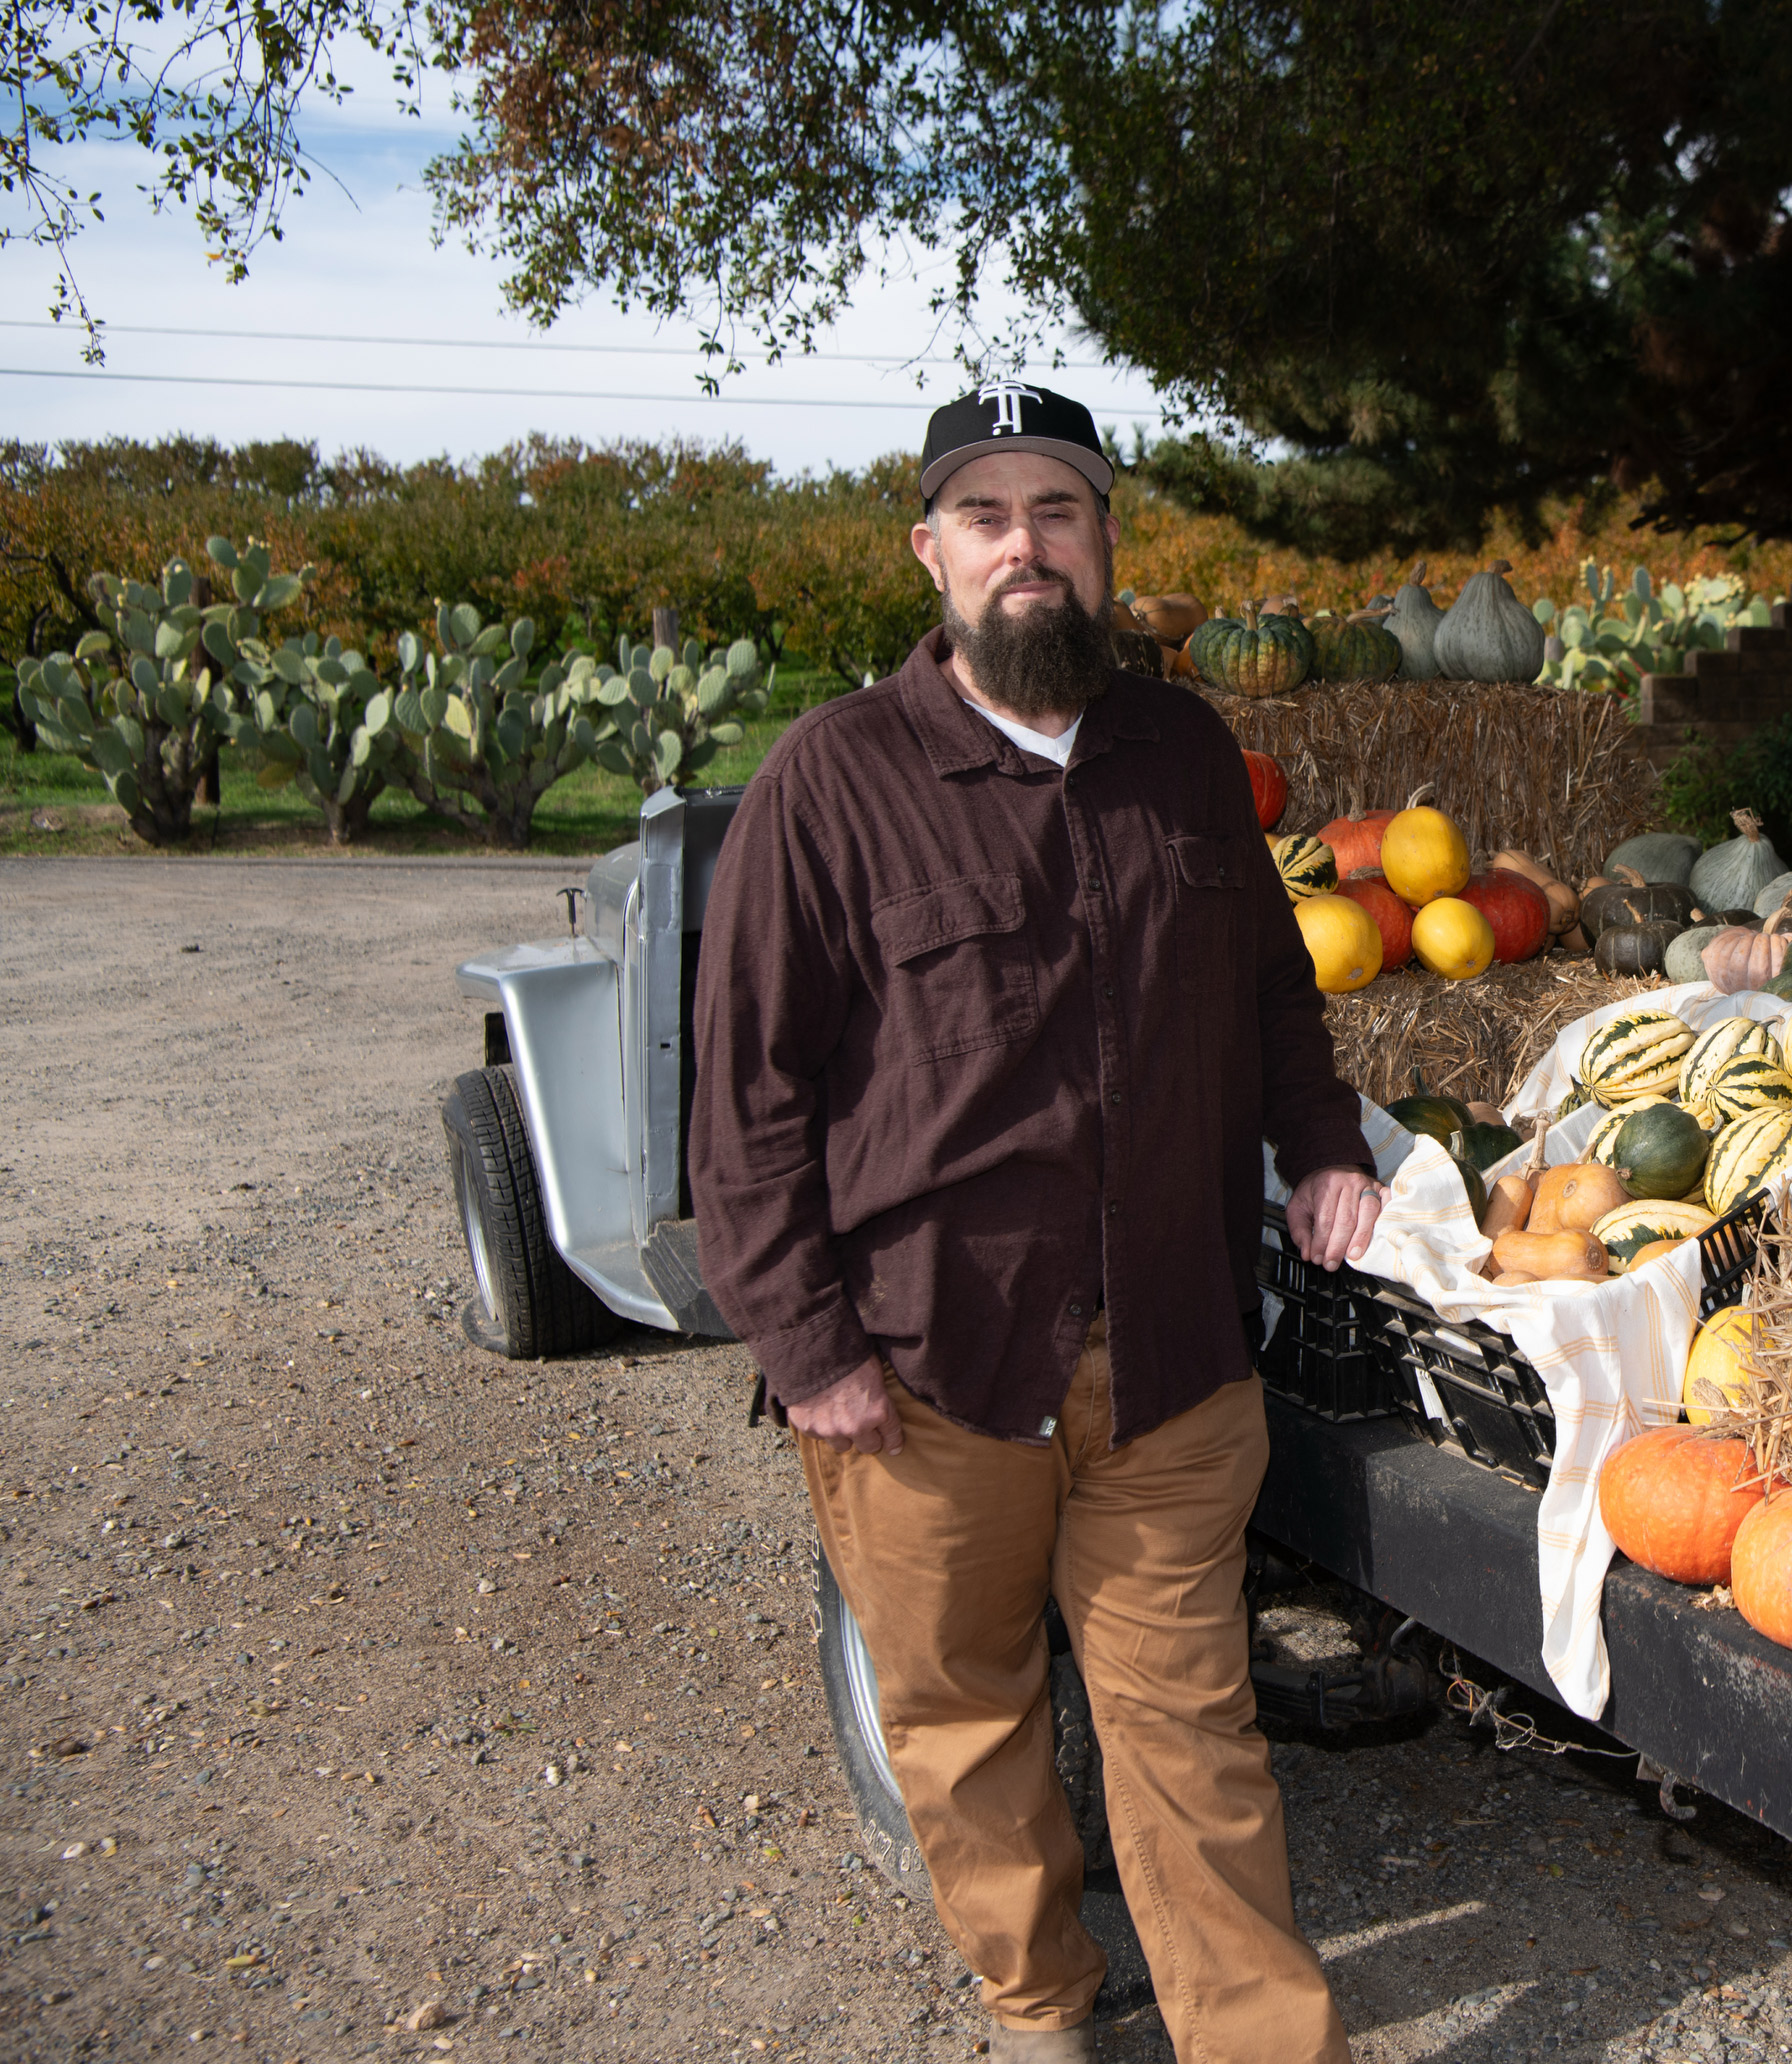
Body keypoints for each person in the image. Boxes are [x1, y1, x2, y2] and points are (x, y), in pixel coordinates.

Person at [688, 382, 1380, 2063]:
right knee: (964, 1719)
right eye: (986, 516)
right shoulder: (831, 784)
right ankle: (1038, 2006)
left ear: (1104, 548)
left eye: (1057, 514)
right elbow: (746, 1099)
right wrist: (805, 1347)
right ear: (930, 552)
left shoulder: (1185, 758)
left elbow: (1276, 992)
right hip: (929, 1373)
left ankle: (1259, 2040)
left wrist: (1325, 1146)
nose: (1026, 549)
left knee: (1191, 1728)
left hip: (1167, 1350)